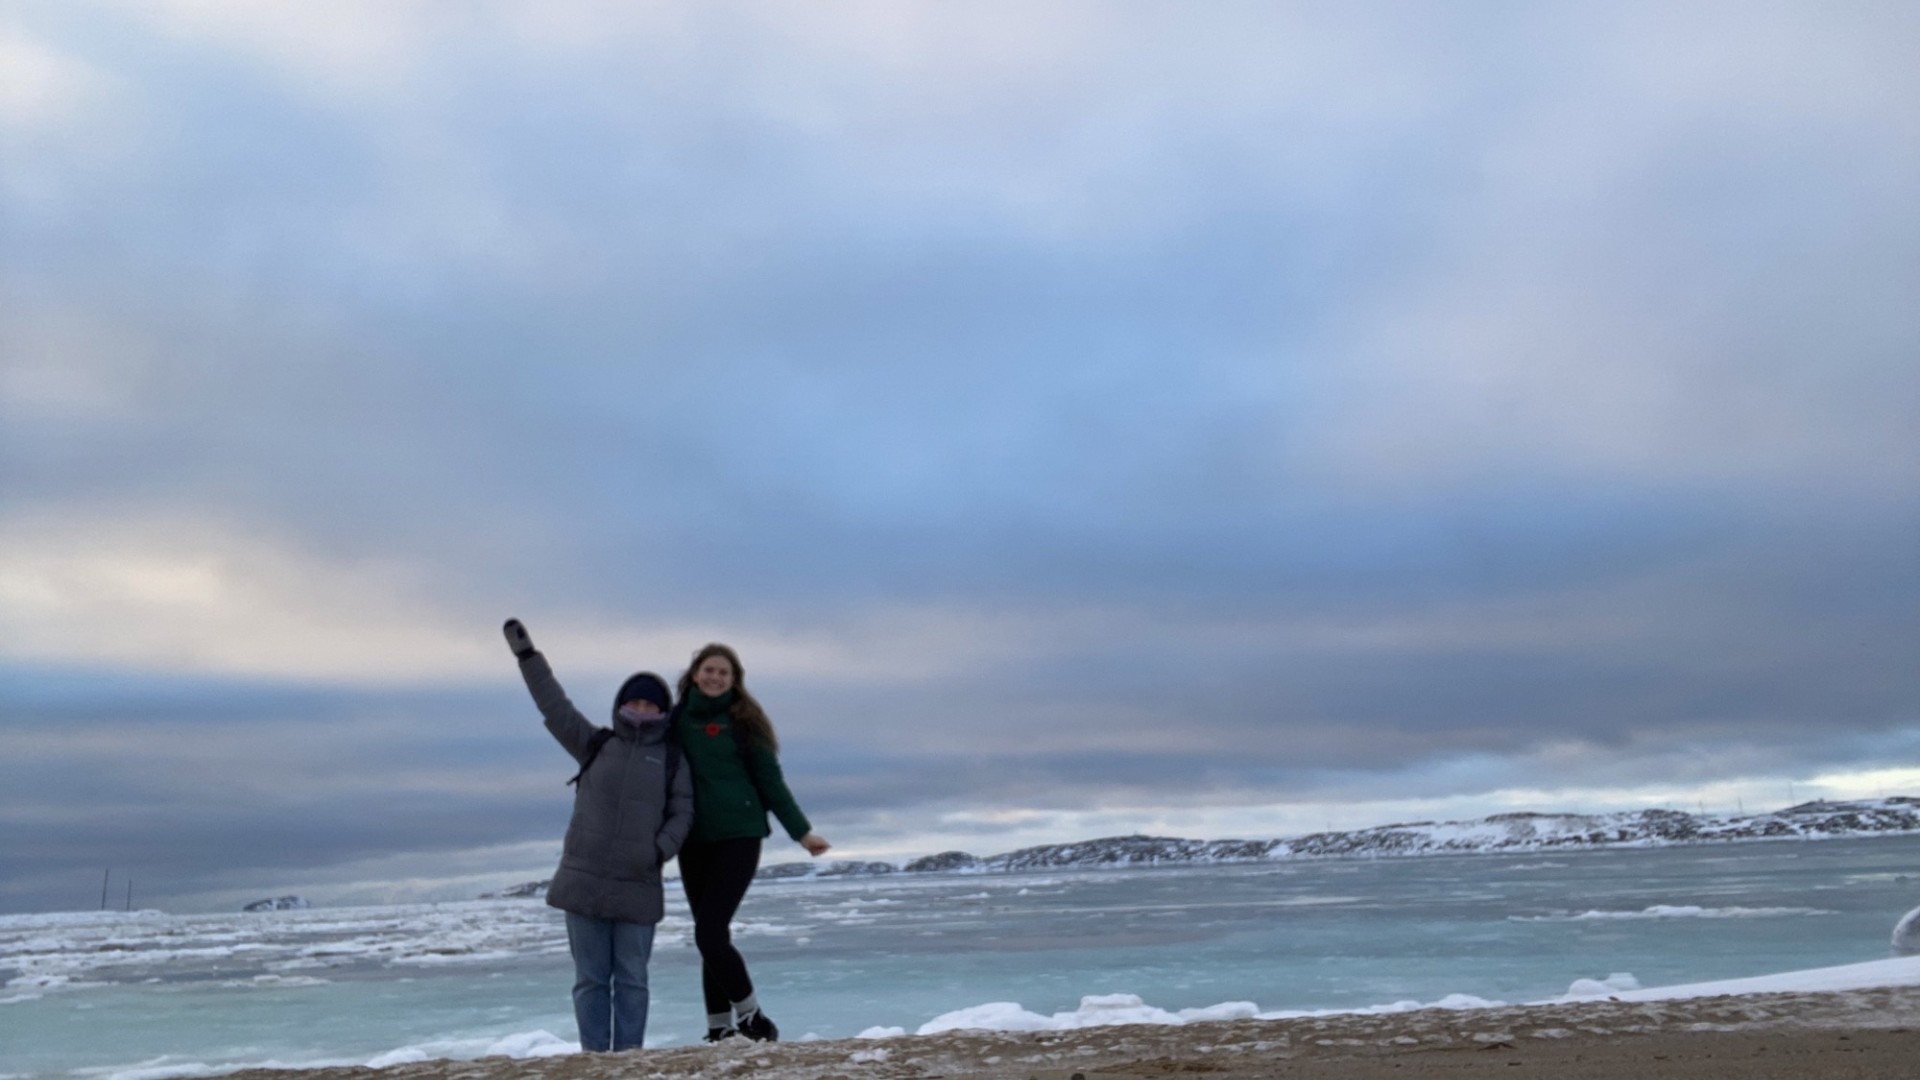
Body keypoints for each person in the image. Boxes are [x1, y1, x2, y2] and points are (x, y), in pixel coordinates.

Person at [503, 618, 693, 1053]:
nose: (642, 710)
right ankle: (595, 1061)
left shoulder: (670, 760)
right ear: (621, 705)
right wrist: (527, 657)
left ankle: (627, 1061)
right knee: (590, 981)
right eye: (635, 702)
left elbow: (684, 813)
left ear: (663, 712)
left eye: (651, 704)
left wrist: (657, 850)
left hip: (637, 884)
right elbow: (554, 705)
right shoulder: (595, 744)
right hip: (583, 881)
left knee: (632, 981)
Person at [672, 643, 830, 1043]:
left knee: (709, 932)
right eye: (709, 670)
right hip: (693, 840)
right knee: (713, 935)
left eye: (725, 673)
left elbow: (770, 783)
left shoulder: (744, 724)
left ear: (734, 681)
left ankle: (751, 1016)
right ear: (694, 674)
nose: (715, 678)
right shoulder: (675, 723)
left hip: (739, 836)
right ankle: (719, 1028)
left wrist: (801, 832)